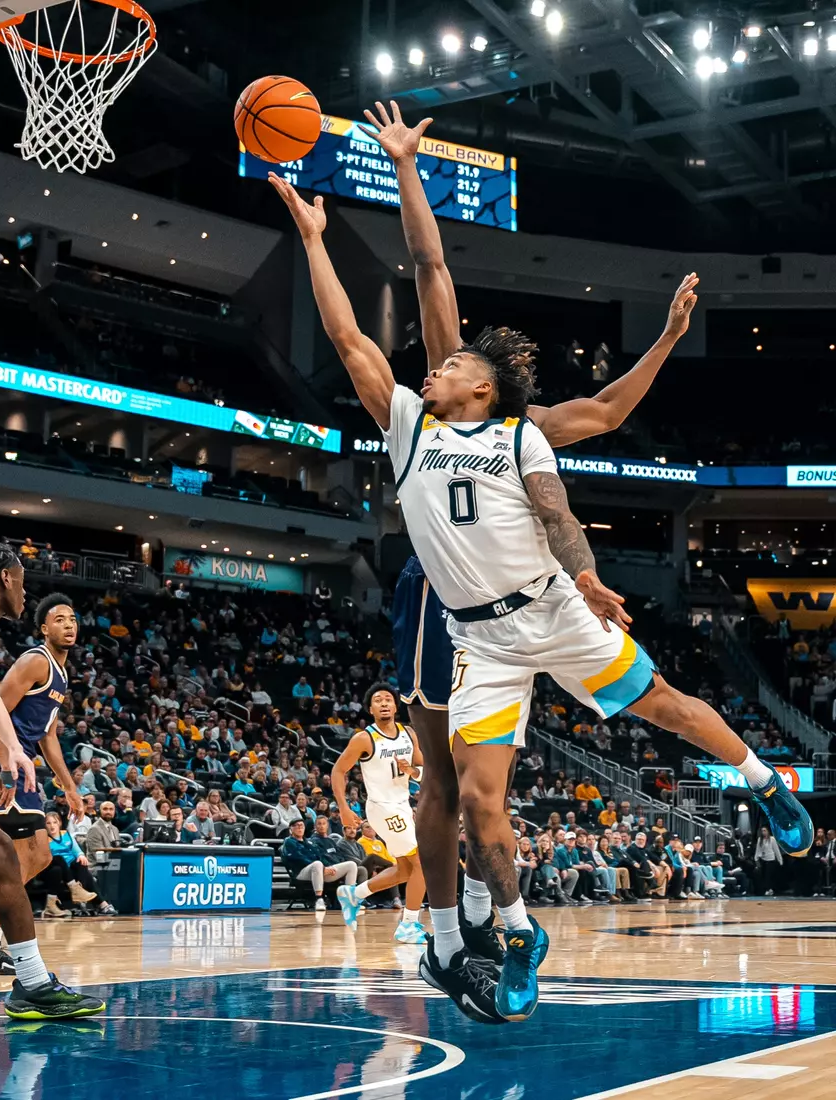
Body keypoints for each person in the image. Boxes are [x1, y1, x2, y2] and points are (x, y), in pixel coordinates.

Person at [272, 120, 811, 1022]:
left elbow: (559, 509)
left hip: (554, 607)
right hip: (479, 639)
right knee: (480, 803)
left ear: (481, 386)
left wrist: (589, 577)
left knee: (667, 705)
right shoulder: (409, 423)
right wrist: (318, 237)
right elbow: (351, 329)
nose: (432, 365)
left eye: (450, 362)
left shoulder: (521, 433)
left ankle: (765, 782)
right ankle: (518, 932)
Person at [0, 540, 103, 1018]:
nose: (25, 590)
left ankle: (30, 981)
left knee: (6, 854)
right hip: (0, 762)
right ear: (5, 578)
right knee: (15, 853)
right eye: (22, 579)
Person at [0, 593, 82, 975]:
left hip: (23, 762)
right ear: (44, 629)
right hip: (1, 759)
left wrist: (70, 786)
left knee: (41, 856)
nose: (69, 625)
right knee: (20, 857)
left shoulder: (61, 674)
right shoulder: (35, 661)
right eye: (59, 619)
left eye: (72, 619)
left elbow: (48, 736)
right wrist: (5, 771)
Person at [332, 682, 427, 942]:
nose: (384, 703)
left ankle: (354, 894)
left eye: (388, 699)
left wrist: (411, 771)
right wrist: (343, 807)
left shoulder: (409, 733)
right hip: (382, 807)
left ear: (396, 706)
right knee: (423, 864)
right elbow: (338, 771)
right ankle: (408, 925)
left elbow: (421, 770)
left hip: (402, 805)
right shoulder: (364, 738)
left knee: (405, 870)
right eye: (377, 700)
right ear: (370, 709)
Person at [39, 812, 116, 916]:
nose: (52, 826)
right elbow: (44, 858)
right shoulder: (43, 839)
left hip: (70, 868)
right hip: (53, 867)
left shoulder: (66, 834)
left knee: (81, 864)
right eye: (48, 823)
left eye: (54, 822)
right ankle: (97, 902)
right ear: (44, 825)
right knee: (59, 860)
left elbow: (76, 850)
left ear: (59, 823)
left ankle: (85, 899)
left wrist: (81, 855)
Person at [281, 819, 357, 912]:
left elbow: (320, 856)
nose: (300, 828)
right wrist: (323, 868)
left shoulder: (309, 842)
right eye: (297, 826)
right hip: (300, 872)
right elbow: (299, 859)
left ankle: (349, 900)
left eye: (301, 825)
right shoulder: (289, 842)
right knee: (317, 864)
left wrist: (328, 867)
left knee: (351, 865)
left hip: (319, 870)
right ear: (291, 829)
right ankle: (319, 900)